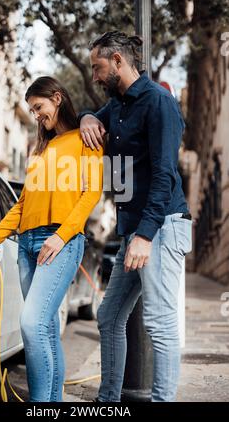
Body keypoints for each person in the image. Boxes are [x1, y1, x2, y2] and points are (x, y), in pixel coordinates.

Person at [0, 76, 103, 402]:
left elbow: (90, 194)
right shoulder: (40, 149)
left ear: (57, 98)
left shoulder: (86, 138)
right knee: (48, 329)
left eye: (38, 107)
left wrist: (61, 236)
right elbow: (23, 205)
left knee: (32, 323)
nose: (36, 115)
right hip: (26, 244)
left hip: (61, 242)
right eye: (31, 110)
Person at [78, 30, 192, 402]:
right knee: (109, 317)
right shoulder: (119, 104)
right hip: (136, 231)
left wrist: (143, 236)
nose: (94, 76)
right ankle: (108, 400)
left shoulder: (158, 103)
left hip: (161, 227)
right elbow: (96, 116)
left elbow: (164, 175)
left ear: (117, 62)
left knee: (159, 324)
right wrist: (86, 118)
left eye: (97, 68)